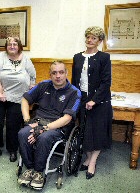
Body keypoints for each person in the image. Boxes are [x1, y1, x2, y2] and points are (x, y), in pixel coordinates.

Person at [17, 60, 81, 189]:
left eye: (61, 72)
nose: (58, 76)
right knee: (22, 133)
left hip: (59, 126)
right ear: (50, 74)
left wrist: (44, 129)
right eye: (54, 73)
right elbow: (24, 99)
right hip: (38, 121)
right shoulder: (43, 85)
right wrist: (27, 120)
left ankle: (39, 172)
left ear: (66, 73)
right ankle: (30, 168)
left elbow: (67, 118)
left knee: (44, 137)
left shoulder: (74, 92)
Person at [71, 26, 112, 179]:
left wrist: (94, 100)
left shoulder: (104, 57)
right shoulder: (77, 57)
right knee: (84, 130)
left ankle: (93, 162)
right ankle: (88, 157)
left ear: (99, 41)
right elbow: (75, 81)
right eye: (88, 37)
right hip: (81, 98)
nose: (90, 40)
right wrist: (75, 98)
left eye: (94, 38)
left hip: (99, 100)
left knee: (97, 132)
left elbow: (106, 82)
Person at [0, 37, 36, 162]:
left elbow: (32, 75)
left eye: (15, 44)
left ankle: (12, 149)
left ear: (19, 46)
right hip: (0, 94)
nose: (12, 46)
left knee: (12, 124)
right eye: (9, 44)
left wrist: (31, 87)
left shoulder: (25, 58)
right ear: (6, 46)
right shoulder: (1, 57)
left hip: (18, 96)